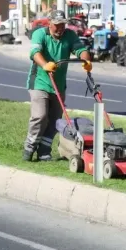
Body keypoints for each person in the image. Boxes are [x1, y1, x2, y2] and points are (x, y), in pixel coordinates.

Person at [24, 10, 92, 162]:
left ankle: (44, 150)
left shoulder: (69, 35)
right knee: (40, 116)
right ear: (49, 23)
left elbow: (81, 50)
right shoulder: (40, 34)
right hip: (39, 82)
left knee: (55, 120)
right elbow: (35, 52)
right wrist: (45, 64)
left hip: (58, 85)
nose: (60, 28)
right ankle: (30, 146)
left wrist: (86, 61)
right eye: (57, 25)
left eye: (63, 25)